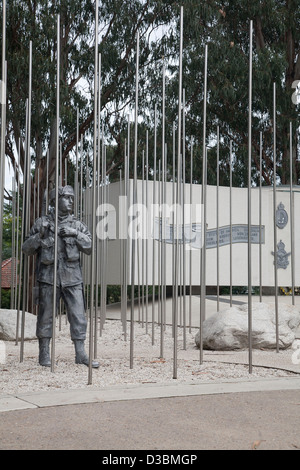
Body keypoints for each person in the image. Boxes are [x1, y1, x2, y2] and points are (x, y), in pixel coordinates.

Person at [22, 185, 99, 369]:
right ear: (55, 200)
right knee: (46, 316)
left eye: (72, 198)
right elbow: (26, 248)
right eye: (67, 197)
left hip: (72, 278)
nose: (71, 201)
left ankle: (80, 353)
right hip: (48, 277)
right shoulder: (42, 223)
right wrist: (40, 238)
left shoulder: (77, 225)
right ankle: (44, 352)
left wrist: (75, 234)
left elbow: (89, 247)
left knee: (78, 315)